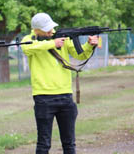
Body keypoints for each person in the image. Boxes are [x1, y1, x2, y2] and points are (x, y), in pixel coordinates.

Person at [21, 13, 99, 154]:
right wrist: (52, 43)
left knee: (69, 144)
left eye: (51, 27)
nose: (51, 31)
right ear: (36, 30)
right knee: (44, 144)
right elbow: (27, 48)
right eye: (46, 29)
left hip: (66, 97)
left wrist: (89, 45)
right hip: (43, 98)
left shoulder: (62, 37)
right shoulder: (29, 39)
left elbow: (80, 55)